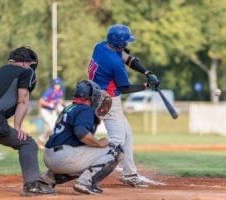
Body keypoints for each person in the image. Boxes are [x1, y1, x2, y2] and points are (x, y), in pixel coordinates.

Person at [0, 47, 54, 195]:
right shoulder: (26, 72)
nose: (30, 66)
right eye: (29, 63)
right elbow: (22, 100)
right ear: (24, 63)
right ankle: (32, 186)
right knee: (28, 144)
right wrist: (17, 127)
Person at [87, 24, 160, 187]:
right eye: (125, 42)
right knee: (117, 140)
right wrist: (147, 86)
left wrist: (147, 73)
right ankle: (89, 174)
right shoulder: (114, 63)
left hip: (99, 95)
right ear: (120, 43)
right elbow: (124, 88)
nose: (127, 44)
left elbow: (128, 58)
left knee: (127, 135)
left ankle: (129, 174)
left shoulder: (100, 47)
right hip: (108, 101)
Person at [42, 80, 123, 195]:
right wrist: (99, 143)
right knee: (115, 151)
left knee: (89, 155)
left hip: (50, 156)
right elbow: (80, 132)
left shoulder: (70, 108)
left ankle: (47, 179)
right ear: (91, 97)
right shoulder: (85, 109)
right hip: (64, 157)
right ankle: (85, 182)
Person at [38, 78, 64, 149]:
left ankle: (41, 140)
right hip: (45, 110)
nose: (57, 86)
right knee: (52, 127)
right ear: (53, 85)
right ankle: (52, 144)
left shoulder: (60, 91)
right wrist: (49, 104)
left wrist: (59, 106)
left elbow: (60, 100)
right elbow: (41, 101)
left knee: (54, 127)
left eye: (58, 84)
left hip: (53, 111)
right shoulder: (49, 91)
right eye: (56, 84)